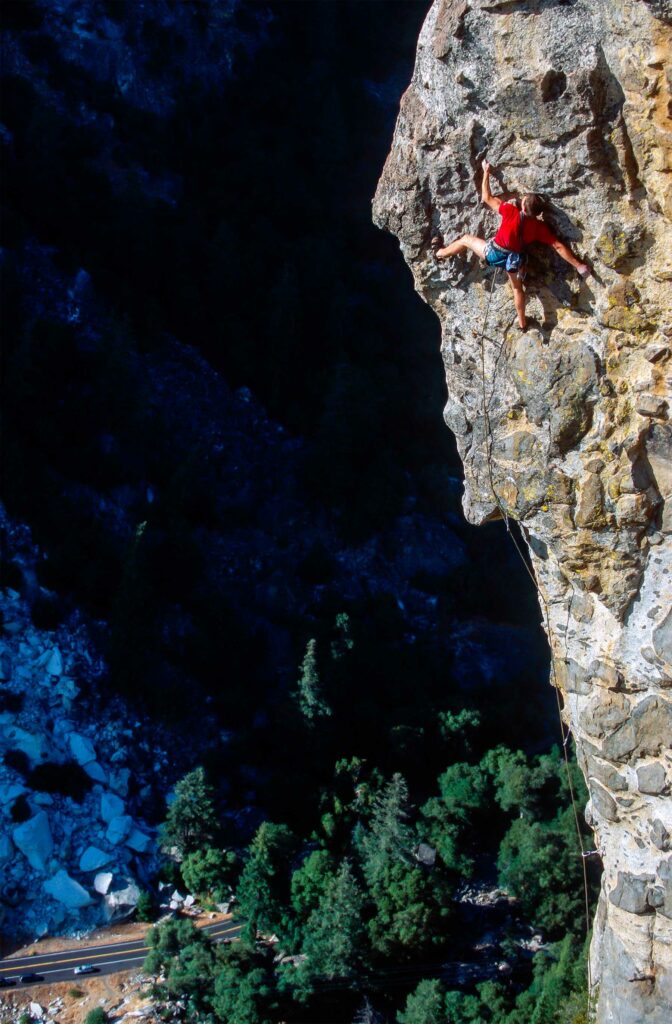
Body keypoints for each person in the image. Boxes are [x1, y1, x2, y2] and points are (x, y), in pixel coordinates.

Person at [433, 159, 590, 330]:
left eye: (524, 199)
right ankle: (522, 323)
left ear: (523, 206)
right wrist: (579, 265)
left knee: (466, 240)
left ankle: (440, 253)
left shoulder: (510, 212)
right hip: (514, 260)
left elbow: (486, 197)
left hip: (494, 253)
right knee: (517, 289)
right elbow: (558, 246)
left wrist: (486, 172)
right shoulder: (539, 228)